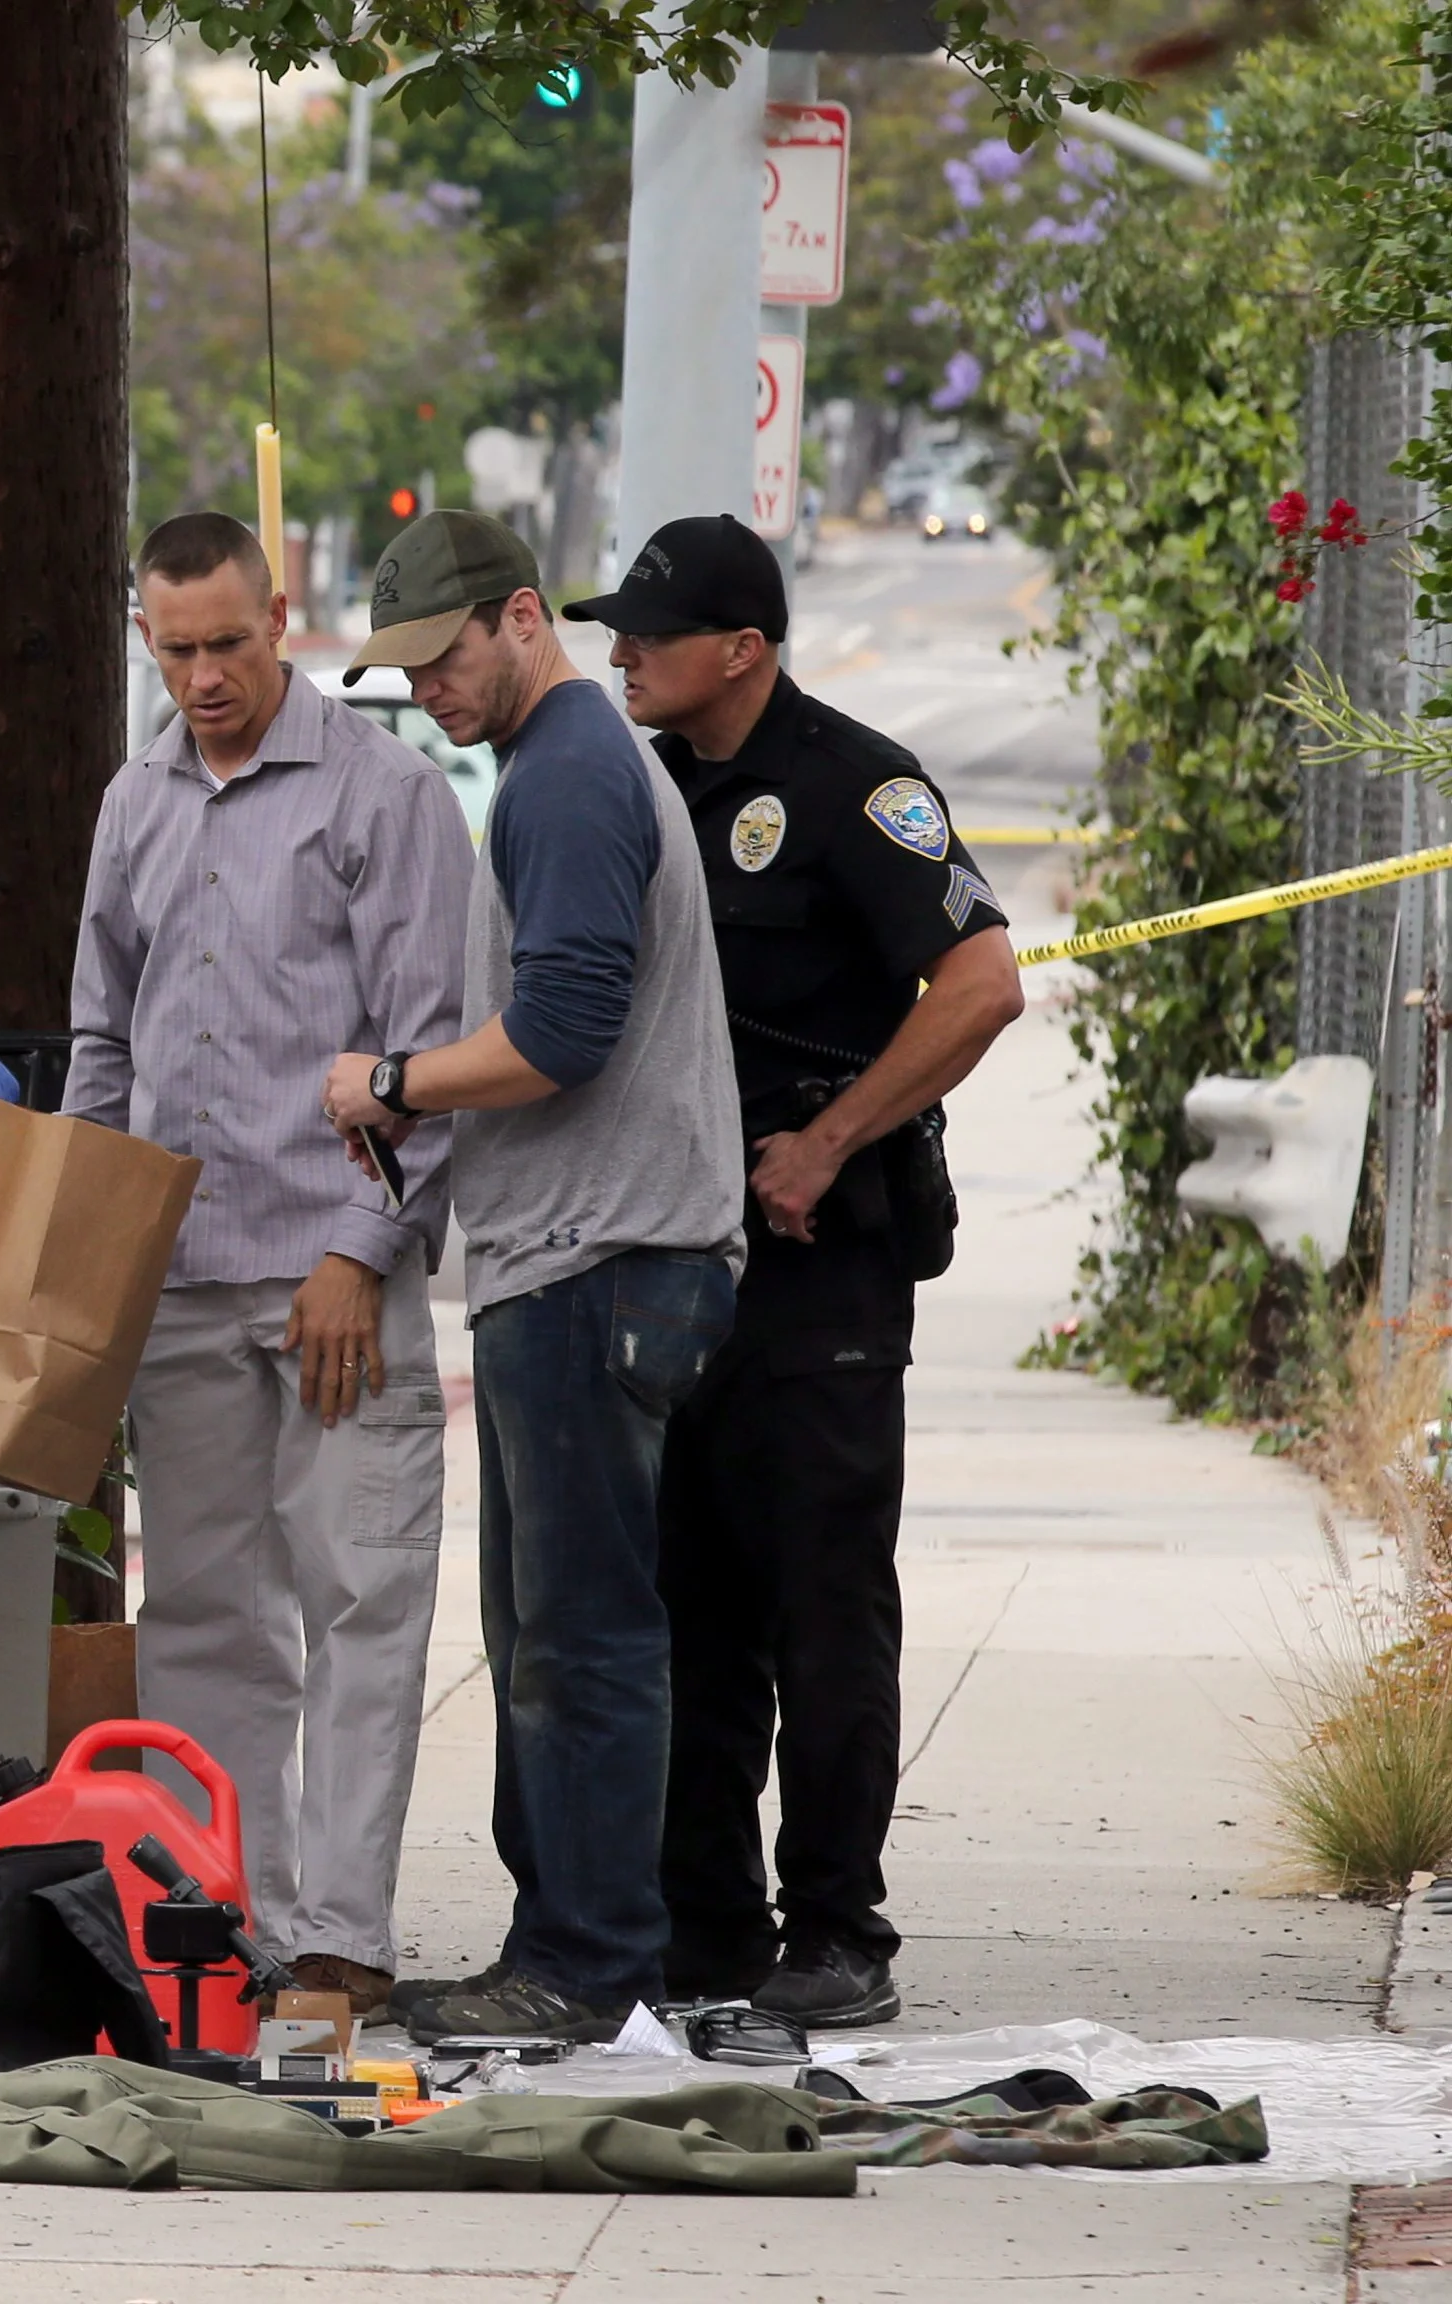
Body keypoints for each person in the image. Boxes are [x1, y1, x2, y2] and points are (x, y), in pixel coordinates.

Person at [566, 514, 1024, 2030]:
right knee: (689, 1606)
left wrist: (831, 1140)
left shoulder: (852, 788)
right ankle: (708, 1932)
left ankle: (838, 1933)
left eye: (650, 629)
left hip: (819, 1267)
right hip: (673, 1257)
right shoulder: (630, 787)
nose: (621, 651)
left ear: (742, 649)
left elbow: (982, 983)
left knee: (822, 1606)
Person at [315, 509, 744, 2045]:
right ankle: (563, 1941)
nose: (426, 689)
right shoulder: (562, 767)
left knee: (578, 1635)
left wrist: (396, 1081)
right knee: (556, 1629)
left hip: (599, 1259)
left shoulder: (565, 774)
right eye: (402, 672)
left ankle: (583, 1960)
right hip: (597, 1256)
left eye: (441, 656)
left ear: (516, 617)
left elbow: (562, 1030)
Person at [70, 512, 474, 2016]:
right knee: (205, 1620)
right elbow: (103, 1037)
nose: (204, 677)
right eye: (174, 650)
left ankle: (345, 1942)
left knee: (362, 1603)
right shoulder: (134, 805)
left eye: (229, 643)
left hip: (332, 1278)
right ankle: (224, 1931)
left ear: (282, 616)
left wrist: (362, 1249)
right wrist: (88, 1256)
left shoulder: (384, 796)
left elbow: (429, 1049)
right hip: (179, 1277)